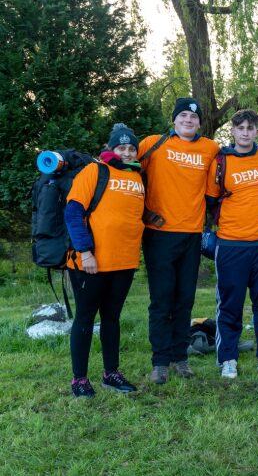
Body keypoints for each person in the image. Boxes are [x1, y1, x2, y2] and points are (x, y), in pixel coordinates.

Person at [139, 98, 220, 384]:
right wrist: (143, 211)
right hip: (159, 234)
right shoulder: (152, 144)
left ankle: (180, 357)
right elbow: (124, 168)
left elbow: (231, 168)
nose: (188, 120)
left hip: (192, 234)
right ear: (174, 119)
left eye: (194, 117)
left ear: (200, 123)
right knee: (162, 300)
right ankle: (160, 361)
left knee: (185, 299)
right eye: (183, 115)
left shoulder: (210, 148)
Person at [65, 123, 145, 397]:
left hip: (124, 262)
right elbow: (73, 213)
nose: (126, 152)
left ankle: (111, 373)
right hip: (91, 263)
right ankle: (80, 379)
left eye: (131, 148)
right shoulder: (94, 171)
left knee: (111, 318)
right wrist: (85, 251)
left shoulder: (137, 177)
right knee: (85, 318)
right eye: (120, 148)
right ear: (110, 149)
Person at [205, 110, 258, 379]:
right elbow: (210, 199)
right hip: (231, 245)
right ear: (233, 131)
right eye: (241, 128)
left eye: (251, 128)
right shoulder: (221, 162)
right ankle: (227, 358)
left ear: (257, 132)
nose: (246, 132)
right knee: (230, 304)